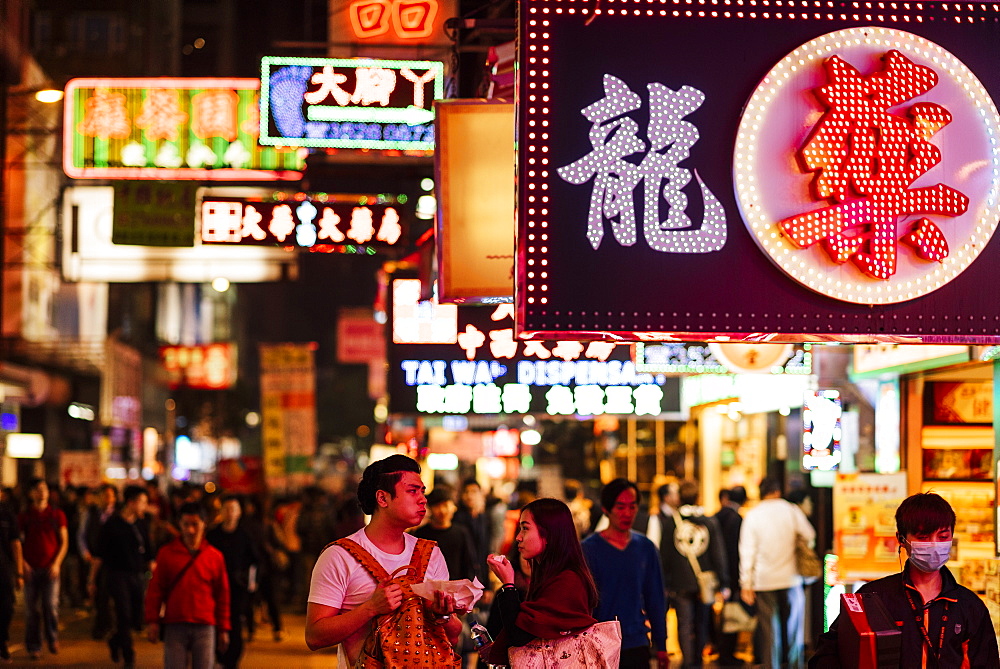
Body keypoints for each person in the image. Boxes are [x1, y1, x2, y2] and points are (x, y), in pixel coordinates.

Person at [305, 454, 463, 666]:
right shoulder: (339, 556)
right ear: (382, 498)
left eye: (422, 491)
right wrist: (370, 608)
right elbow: (314, 637)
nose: (423, 499)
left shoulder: (430, 554)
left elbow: (452, 637)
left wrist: (442, 615)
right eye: (412, 491)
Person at [810, 492, 999, 668]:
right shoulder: (872, 598)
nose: (934, 545)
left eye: (943, 536)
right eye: (923, 537)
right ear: (901, 539)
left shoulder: (969, 606)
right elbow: (827, 654)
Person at [482, 497, 600, 666]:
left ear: (548, 535)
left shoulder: (567, 581)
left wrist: (508, 584)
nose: (518, 537)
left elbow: (519, 635)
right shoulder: (551, 575)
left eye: (525, 529)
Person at [582, 479, 668, 669]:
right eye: (620, 507)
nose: (627, 513)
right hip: (599, 644)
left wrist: (661, 644)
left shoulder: (645, 548)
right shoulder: (589, 549)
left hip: (636, 640)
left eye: (632, 506)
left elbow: (656, 598)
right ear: (606, 508)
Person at [740, 477, 814, 669]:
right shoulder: (791, 510)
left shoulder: (753, 515)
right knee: (793, 630)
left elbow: (747, 551)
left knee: (769, 631)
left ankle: (771, 665)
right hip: (791, 578)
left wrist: (746, 583)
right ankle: (794, 665)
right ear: (777, 491)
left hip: (764, 580)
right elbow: (809, 535)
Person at [145, 502, 230, 668]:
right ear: (179, 524)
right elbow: (155, 590)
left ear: (204, 524)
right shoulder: (167, 554)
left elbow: (223, 595)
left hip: (205, 625)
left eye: (195, 525)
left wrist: (224, 628)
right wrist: (152, 621)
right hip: (175, 624)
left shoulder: (215, 557)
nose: (190, 530)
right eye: (186, 525)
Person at [656, 480, 729, 668]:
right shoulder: (709, 522)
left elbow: (664, 555)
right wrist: (723, 581)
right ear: (698, 497)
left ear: (679, 497)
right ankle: (698, 660)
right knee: (702, 622)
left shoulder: (672, 522)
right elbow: (718, 554)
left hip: (680, 582)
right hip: (703, 581)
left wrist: (665, 581)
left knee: (684, 623)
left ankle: (688, 662)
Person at [90, 484, 151, 668]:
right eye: (142, 502)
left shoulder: (141, 524)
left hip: (137, 576)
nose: (144, 507)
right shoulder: (112, 525)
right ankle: (128, 655)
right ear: (131, 503)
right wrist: (92, 580)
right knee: (123, 614)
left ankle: (115, 641)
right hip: (116, 576)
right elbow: (99, 555)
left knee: (135, 617)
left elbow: (149, 552)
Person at [206, 495, 259, 669]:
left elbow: (255, 561)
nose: (229, 513)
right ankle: (219, 656)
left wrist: (251, 582)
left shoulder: (245, 535)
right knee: (215, 622)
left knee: (235, 622)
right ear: (220, 511)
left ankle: (232, 659)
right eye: (226, 509)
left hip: (237, 588)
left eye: (233, 509)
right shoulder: (212, 535)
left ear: (239, 513)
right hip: (214, 587)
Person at [18, 478, 68, 660]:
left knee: (50, 605)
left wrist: (56, 563)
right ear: (32, 493)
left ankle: (52, 637)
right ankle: (33, 646)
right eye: (38, 489)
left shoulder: (56, 515)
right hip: (30, 569)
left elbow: (64, 541)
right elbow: (17, 542)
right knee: (32, 610)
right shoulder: (25, 516)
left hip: (50, 569)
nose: (42, 492)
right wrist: (22, 564)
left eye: (44, 489)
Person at [714, 486, 749, 668]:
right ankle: (727, 655)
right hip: (733, 574)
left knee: (718, 614)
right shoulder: (739, 520)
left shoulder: (715, 516)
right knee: (731, 616)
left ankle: (719, 651)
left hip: (717, 573)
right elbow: (740, 551)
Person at [413, 487, 479, 582]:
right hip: (429, 589)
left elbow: (469, 564)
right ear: (430, 508)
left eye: (446, 505)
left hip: (456, 589)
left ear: (453, 507)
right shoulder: (421, 534)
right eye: (437, 506)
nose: (442, 511)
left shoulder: (461, 532)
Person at [81, 482, 119, 639]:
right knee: (97, 593)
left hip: (113, 561)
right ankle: (102, 624)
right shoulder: (92, 513)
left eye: (110, 495)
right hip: (94, 559)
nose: (107, 498)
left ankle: (109, 625)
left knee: (109, 594)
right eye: (105, 495)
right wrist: (85, 551)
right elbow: (82, 534)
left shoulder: (118, 515)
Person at [0, 490, 22, 661]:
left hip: (4, 569)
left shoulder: (7, 514)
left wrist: (19, 572)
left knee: (7, 607)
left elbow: (16, 543)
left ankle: (2, 638)